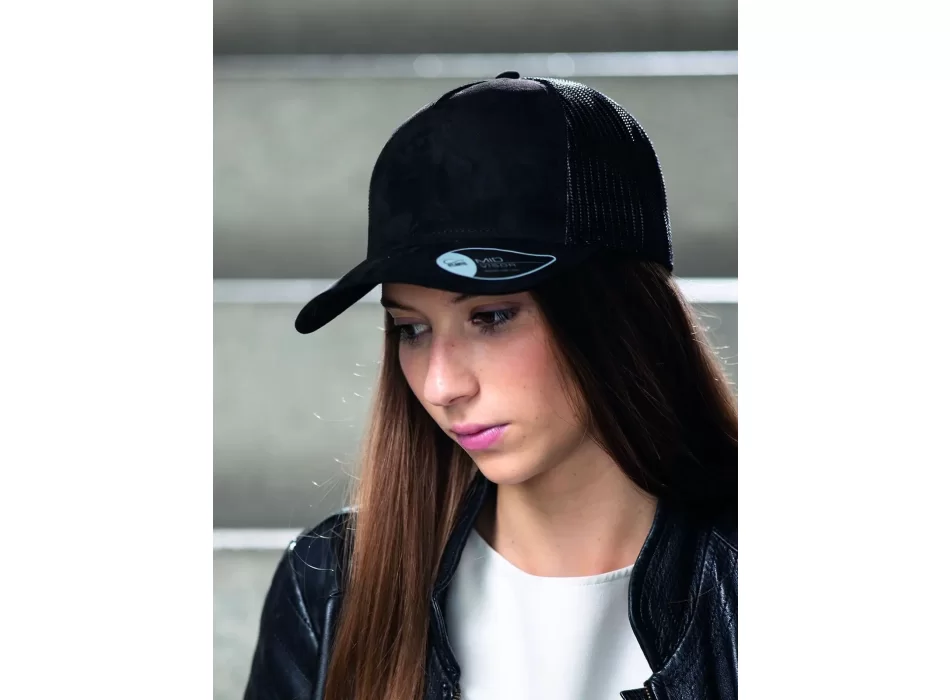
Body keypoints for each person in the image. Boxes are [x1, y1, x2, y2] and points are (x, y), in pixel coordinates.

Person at [243, 72, 737, 700]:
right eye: (411, 329)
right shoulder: (330, 588)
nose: (440, 385)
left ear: (620, 315)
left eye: (492, 317)